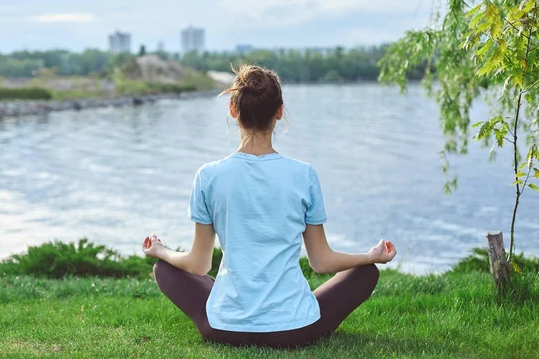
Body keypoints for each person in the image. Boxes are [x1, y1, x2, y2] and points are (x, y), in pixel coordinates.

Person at [142, 64, 397, 349]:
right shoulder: (303, 175)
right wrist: (369, 255)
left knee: (164, 269)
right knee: (367, 271)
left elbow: (198, 265)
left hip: (224, 328)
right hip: (296, 329)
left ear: (233, 110)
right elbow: (321, 261)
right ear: (279, 111)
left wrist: (161, 251)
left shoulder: (208, 176)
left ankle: (231, 305)